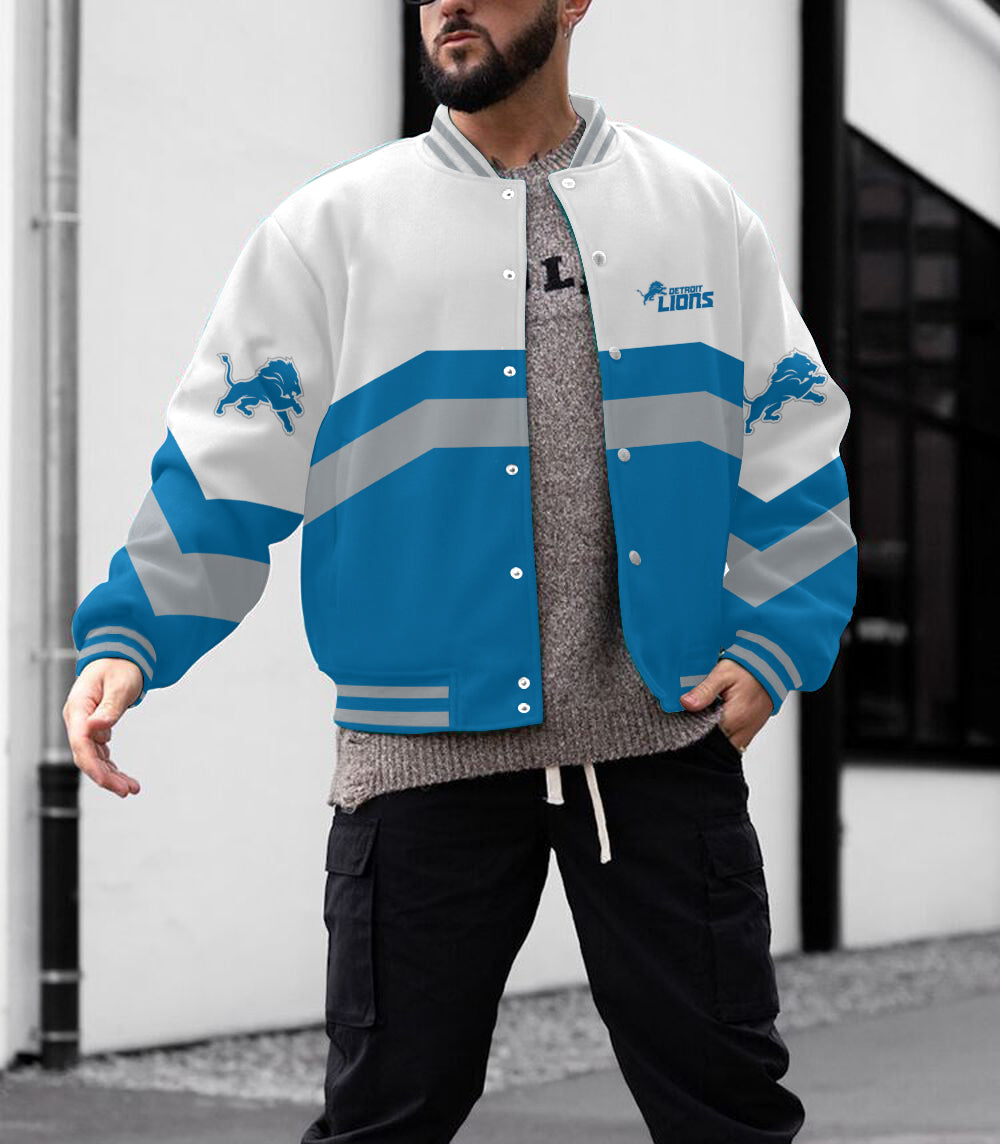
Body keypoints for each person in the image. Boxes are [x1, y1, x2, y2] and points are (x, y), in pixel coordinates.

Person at [63, 0, 858, 1140]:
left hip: (657, 743)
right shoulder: (331, 227)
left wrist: (777, 634)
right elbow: (226, 453)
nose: (449, 3)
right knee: (385, 1119)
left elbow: (792, 432)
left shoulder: (696, 212)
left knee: (729, 1116)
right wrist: (134, 633)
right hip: (418, 755)